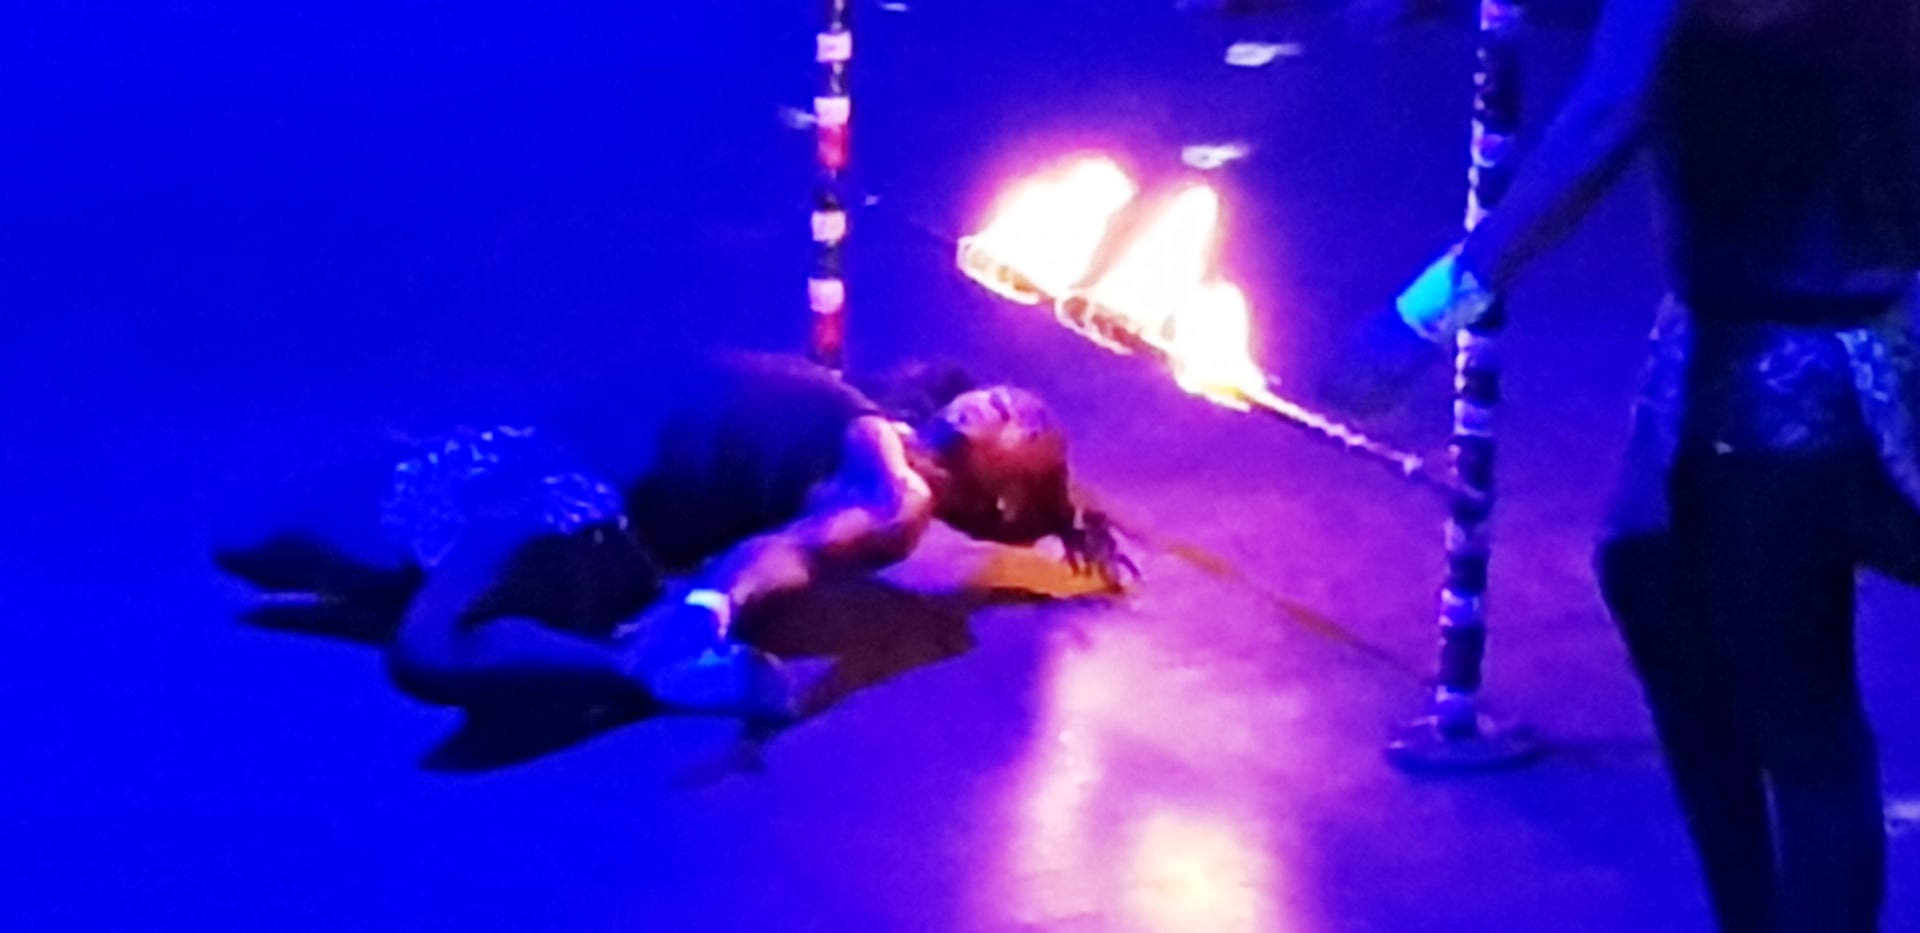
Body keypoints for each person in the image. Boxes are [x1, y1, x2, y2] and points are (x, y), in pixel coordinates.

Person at [1328, 1, 1919, 930]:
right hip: (1765, 339)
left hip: (1781, 364)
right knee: (1662, 594)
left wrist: (1424, 314)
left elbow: (1607, 116)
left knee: (1794, 705)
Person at [216, 352, 1132, 724]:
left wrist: (711, 605)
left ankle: (643, 671)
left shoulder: (894, 496)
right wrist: (1067, 519)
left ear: (1002, 493)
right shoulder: (897, 414)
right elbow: (949, 396)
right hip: (530, 448)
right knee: (250, 537)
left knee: (427, 649)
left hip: (586, 507)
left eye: (1031, 424)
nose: (1016, 401)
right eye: (1016, 397)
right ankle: (439, 576)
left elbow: (803, 547)